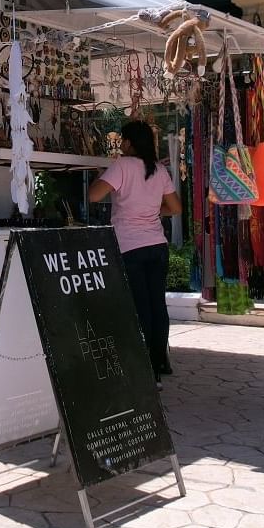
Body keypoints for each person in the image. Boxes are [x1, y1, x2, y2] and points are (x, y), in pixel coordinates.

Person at [88, 121, 182, 383]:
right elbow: (175, 208)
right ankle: (160, 362)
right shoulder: (159, 170)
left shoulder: (122, 165)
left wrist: (103, 174)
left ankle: (146, 368)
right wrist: (152, 212)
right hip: (156, 246)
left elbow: (94, 196)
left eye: (123, 141)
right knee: (156, 306)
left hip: (130, 246)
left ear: (129, 143)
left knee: (140, 308)